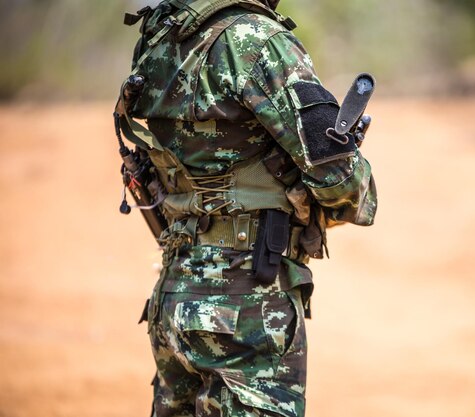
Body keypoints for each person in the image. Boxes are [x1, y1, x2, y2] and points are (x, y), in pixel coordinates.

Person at [114, 1, 377, 416]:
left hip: (174, 291)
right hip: (245, 301)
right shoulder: (258, 40)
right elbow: (342, 185)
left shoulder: (161, 35)